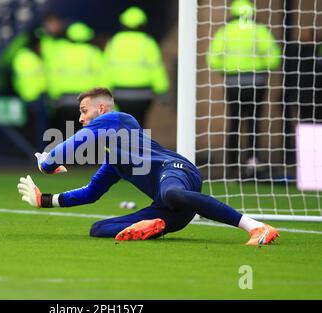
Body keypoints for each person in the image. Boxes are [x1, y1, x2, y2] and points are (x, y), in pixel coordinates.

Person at [17, 87, 279, 246]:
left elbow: (77, 142)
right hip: (173, 212)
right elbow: (90, 193)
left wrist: (48, 162)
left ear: (101, 109)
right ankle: (151, 225)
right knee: (98, 229)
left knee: (170, 192)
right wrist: (46, 200)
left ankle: (255, 226)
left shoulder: (118, 119)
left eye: (84, 111)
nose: (81, 118)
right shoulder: (114, 161)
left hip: (177, 170)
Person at [206, 0, 281, 178]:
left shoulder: (225, 31)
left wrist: (228, 69)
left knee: (234, 122)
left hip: (233, 83)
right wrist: (261, 66)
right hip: (257, 82)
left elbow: (212, 58)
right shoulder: (259, 30)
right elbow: (274, 57)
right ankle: (252, 161)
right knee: (254, 121)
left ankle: (232, 165)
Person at [104, 6, 170, 128]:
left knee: (121, 126)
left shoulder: (114, 42)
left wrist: (104, 93)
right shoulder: (148, 42)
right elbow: (156, 69)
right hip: (143, 95)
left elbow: (106, 69)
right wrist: (162, 91)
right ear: (143, 24)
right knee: (139, 124)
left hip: (119, 94)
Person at [47, 21, 105, 137]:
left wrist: (54, 98)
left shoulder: (58, 53)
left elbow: (52, 77)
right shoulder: (94, 53)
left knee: (66, 135)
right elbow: (103, 79)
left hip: (64, 102)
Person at [282, 28, 322, 167]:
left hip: (306, 98)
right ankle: (307, 164)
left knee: (308, 128)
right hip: (309, 99)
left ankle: (308, 164)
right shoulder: (304, 53)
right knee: (308, 128)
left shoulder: (298, 53)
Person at [12, 30, 48, 151]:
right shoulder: (26, 57)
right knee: (32, 134)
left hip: (34, 99)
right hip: (29, 100)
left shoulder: (25, 56)